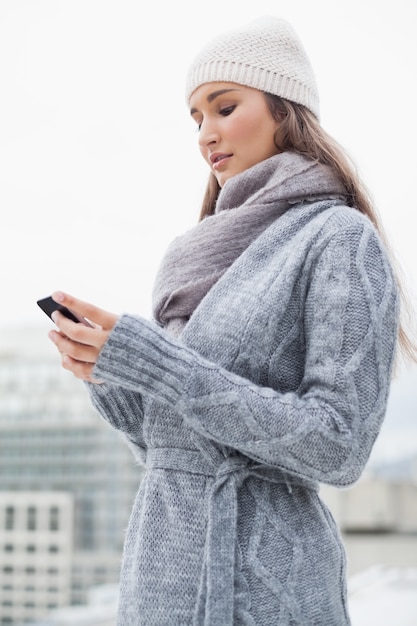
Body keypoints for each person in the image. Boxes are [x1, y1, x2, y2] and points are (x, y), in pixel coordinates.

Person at [47, 16, 416, 626]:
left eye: (224, 107)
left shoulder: (338, 239)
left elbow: (338, 447)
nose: (205, 134)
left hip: (266, 592)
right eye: (196, 118)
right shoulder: (195, 253)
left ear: (283, 109)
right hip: (158, 579)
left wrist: (161, 366)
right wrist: (110, 376)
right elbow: (175, 442)